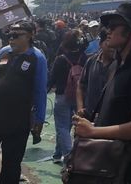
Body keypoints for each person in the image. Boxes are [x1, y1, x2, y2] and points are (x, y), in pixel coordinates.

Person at [73, 3, 131, 184]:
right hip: (110, 165)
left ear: (130, 32)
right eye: (107, 26)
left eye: (112, 27)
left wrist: (93, 130)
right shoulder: (120, 65)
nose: (107, 31)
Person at [0, 21, 48, 184]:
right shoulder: (4, 52)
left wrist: (39, 119)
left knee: (11, 167)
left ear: (30, 36)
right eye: (9, 35)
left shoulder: (37, 58)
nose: (11, 39)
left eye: (16, 36)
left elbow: (40, 91)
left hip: (18, 121)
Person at [48, 29, 86, 163]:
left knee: (62, 127)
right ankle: (57, 154)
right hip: (79, 96)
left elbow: (51, 79)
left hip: (62, 95)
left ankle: (70, 158)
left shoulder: (60, 59)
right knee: (68, 125)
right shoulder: (84, 57)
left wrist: (44, 91)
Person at [76, 26, 115, 120]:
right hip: (89, 117)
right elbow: (80, 86)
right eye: (108, 43)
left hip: (110, 120)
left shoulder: (120, 64)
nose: (112, 48)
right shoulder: (91, 61)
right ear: (101, 43)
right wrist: (80, 108)